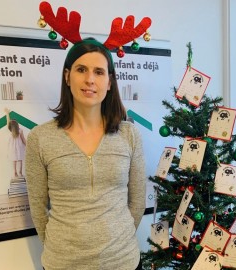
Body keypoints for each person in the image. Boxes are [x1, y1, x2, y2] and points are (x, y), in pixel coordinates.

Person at [25, 38, 146, 270]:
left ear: (109, 82)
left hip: (123, 262)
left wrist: (117, 242)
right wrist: (62, 249)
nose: (90, 79)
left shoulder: (129, 135)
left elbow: (138, 201)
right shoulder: (40, 138)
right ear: (67, 76)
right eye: (82, 70)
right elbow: (39, 208)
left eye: (99, 72)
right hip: (63, 264)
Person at [4, 108, 26, 179]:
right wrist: (27, 145)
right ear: (17, 125)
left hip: (12, 147)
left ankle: (15, 172)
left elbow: (8, 122)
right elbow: (23, 139)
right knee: (20, 159)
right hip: (19, 147)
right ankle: (20, 172)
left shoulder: (10, 130)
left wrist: (7, 114)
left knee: (14, 160)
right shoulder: (20, 131)